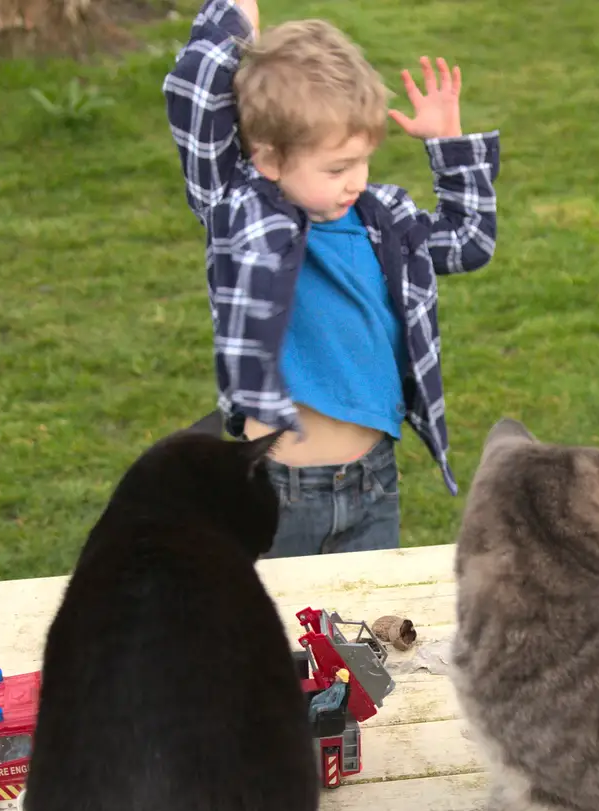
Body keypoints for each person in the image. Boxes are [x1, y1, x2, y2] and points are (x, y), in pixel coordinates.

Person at [164, 0, 500, 557]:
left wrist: (449, 145)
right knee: (279, 640)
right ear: (270, 160)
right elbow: (193, 98)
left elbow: (469, 244)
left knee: (366, 640)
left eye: (363, 160)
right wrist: (236, 16)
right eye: (337, 168)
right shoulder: (242, 212)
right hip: (276, 494)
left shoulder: (384, 218)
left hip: (374, 483)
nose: (356, 182)